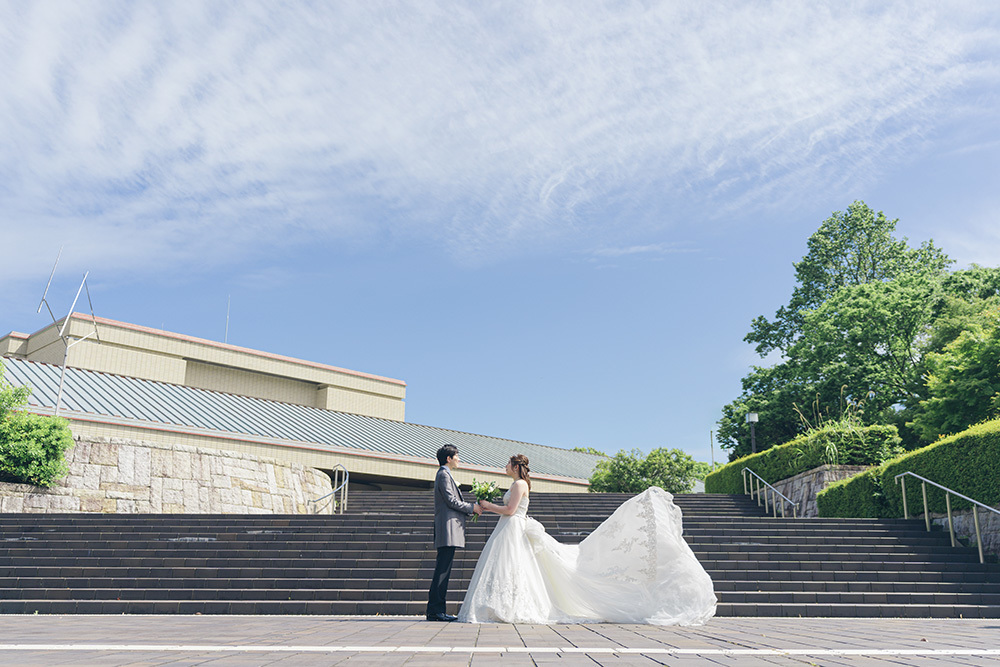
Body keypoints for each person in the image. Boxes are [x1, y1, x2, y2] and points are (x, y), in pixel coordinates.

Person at [457, 454, 717, 625]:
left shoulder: (518, 485)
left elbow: (511, 510)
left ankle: (506, 607)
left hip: (512, 527)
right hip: (510, 529)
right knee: (513, 569)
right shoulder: (518, 485)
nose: (504, 467)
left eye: (507, 464)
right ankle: (502, 606)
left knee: (514, 568)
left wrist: (488, 505)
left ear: (515, 467)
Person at [426, 444, 482, 622]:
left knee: (443, 569)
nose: (458, 458)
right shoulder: (443, 474)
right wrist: (472, 507)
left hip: (449, 528)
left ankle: (437, 610)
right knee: (442, 571)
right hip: (447, 528)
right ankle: (436, 611)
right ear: (448, 458)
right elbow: (451, 501)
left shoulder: (445, 474)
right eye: (457, 456)